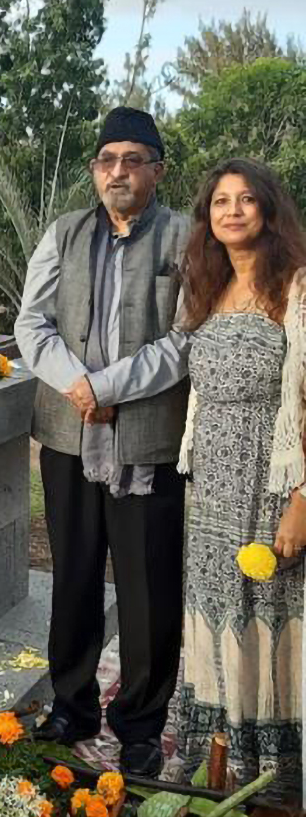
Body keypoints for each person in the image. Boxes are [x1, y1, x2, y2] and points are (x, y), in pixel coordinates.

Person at [14, 107, 191, 778]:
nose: (118, 171)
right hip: (68, 431)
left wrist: (111, 384)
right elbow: (32, 323)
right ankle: (73, 704)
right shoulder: (63, 233)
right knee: (76, 574)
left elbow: (186, 337)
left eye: (133, 159)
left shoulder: (185, 238)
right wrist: (78, 385)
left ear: (157, 169)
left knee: (149, 585)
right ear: (95, 170)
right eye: (107, 159)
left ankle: (141, 722)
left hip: (147, 436)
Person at [177, 158, 306, 800]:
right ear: (208, 219)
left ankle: (274, 771)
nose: (232, 210)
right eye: (220, 201)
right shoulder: (204, 288)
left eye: (246, 199)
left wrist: (301, 502)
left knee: (269, 610)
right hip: (211, 489)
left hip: (269, 481)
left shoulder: (297, 288)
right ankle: (215, 757)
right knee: (216, 609)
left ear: (268, 211)